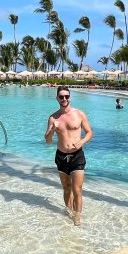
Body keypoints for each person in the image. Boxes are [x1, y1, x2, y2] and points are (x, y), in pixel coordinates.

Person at [44, 86, 93, 226]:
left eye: (66, 96)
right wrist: (51, 129)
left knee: (77, 189)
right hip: (61, 156)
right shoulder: (53, 118)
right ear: (57, 99)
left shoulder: (79, 114)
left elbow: (90, 132)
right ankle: (68, 212)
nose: (64, 99)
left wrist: (82, 141)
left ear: (70, 97)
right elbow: (48, 141)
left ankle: (77, 217)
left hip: (77, 156)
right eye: (61, 97)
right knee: (66, 188)